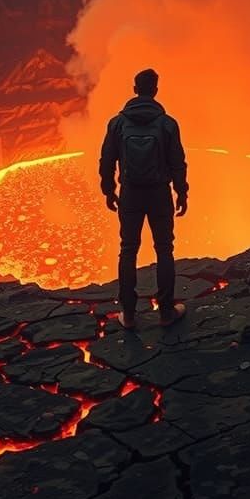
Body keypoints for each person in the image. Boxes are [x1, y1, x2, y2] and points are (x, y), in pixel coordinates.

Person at [99, 68, 188, 329]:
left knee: (128, 250)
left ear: (135, 89)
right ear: (155, 90)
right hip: (160, 194)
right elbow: (178, 163)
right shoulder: (168, 124)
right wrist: (182, 192)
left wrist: (108, 190)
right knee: (164, 250)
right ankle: (166, 312)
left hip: (130, 194)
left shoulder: (117, 123)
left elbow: (107, 160)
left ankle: (128, 313)